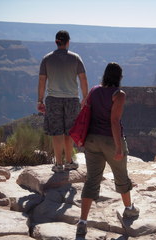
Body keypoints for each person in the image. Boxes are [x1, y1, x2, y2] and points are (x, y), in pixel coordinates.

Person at [76, 63, 139, 237]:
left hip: (92, 140)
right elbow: (114, 121)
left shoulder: (94, 90)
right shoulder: (118, 95)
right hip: (110, 141)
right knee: (121, 175)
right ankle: (129, 209)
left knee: (92, 180)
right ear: (119, 77)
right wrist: (119, 147)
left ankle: (82, 221)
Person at [37, 30, 88, 173]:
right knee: (69, 132)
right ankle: (69, 161)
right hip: (72, 99)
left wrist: (40, 100)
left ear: (56, 42)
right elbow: (83, 78)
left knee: (56, 132)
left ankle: (58, 164)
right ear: (68, 42)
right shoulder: (76, 58)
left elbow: (42, 80)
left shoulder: (47, 59)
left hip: (53, 100)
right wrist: (85, 97)